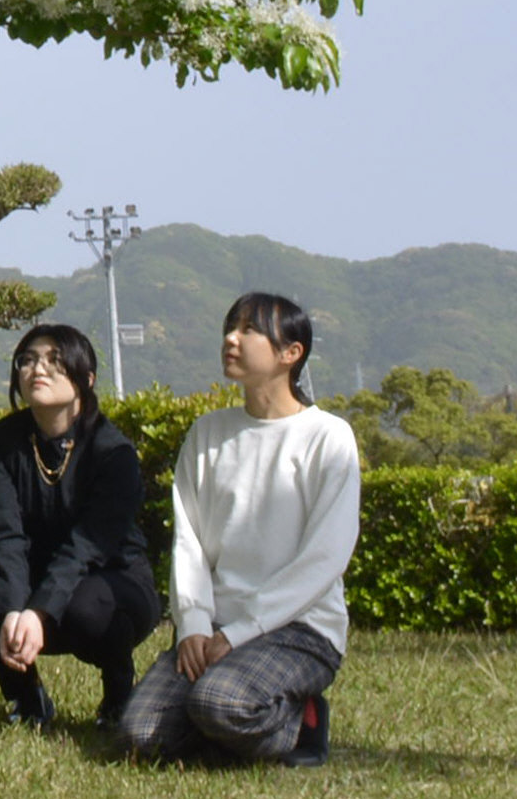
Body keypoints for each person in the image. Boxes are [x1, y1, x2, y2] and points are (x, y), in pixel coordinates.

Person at [114, 289, 359, 768]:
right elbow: (190, 542)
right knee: (139, 736)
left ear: (292, 354)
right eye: (231, 327)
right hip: (216, 628)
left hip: (299, 629)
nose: (231, 338)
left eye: (249, 329)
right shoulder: (208, 433)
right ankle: (223, 723)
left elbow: (326, 557)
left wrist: (244, 631)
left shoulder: (328, 437)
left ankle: (301, 721)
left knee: (219, 704)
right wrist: (193, 625)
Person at [0, 321, 159, 730]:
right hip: (35, 579)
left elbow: (88, 546)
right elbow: (4, 537)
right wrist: (16, 609)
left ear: (87, 379)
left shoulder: (113, 452)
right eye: (28, 360)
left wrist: (39, 610)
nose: (38, 369)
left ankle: (119, 693)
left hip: (114, 582)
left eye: (55, 361)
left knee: (85, 606)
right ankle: (26, 699)